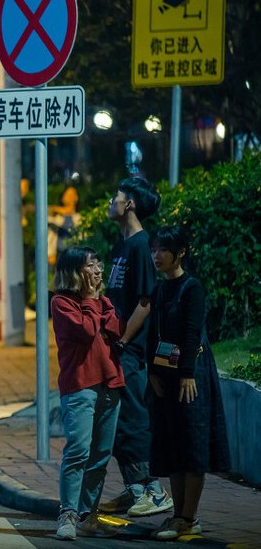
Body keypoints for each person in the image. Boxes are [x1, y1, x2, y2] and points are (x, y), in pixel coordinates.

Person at [146, 226, 230, 541]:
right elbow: (152, 334)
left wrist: (187, 374)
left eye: (163, 250)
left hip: (190, 376)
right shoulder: (160, 289)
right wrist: (151, 371)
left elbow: (193, 332)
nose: (157, 256)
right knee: (172, 444)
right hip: (165, 375)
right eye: (154, 249)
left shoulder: (192, 288)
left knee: (192, 443)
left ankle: (189, 517)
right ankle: (177, 515)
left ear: (180, 253)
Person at [99, 177, 173, 517]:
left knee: (131, 417)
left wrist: (124, 339)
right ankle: (134, 489)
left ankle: (153, 491)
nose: (111, 200)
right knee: (113, 420)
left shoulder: (143, 246)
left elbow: (145, 301)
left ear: (129, 204)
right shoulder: (120, 247)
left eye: (117, 196)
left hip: (128, 350)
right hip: (114, 347)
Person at [51, 246, 127, 540]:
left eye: (98, 265)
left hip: (110, 382)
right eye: (90, 265)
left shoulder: (102, 301)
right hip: (80, 384)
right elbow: (86, 330)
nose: (98, 271)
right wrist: (93, 302)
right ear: (73, 272)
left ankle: (88, 514)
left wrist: (97, 306)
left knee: (100, 456)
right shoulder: (61, 303)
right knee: (78, 451)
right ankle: (68, 513)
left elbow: (116, 329)